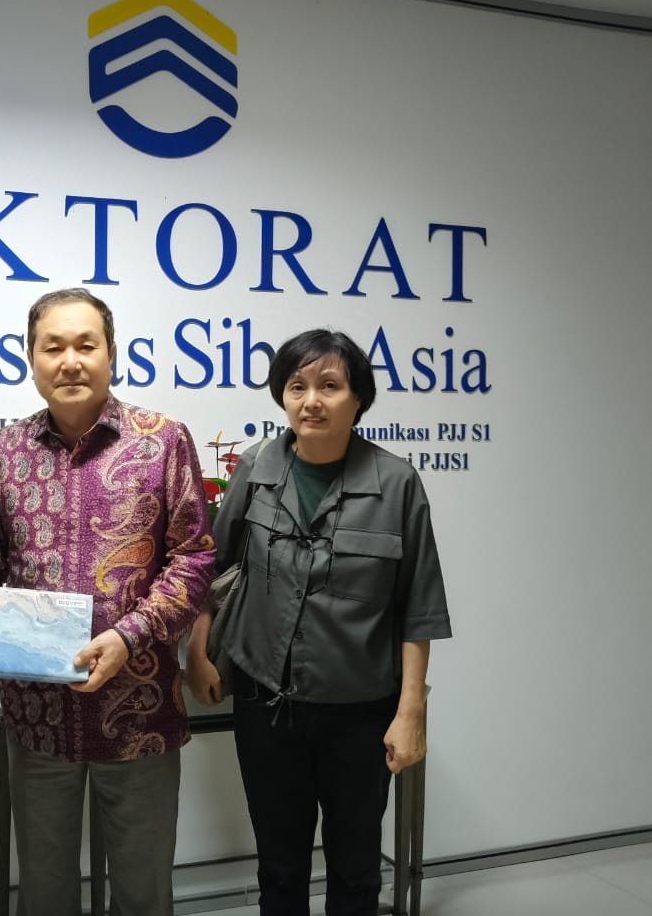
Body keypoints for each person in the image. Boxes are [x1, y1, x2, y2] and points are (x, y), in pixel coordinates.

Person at [0, 287, 215, 916]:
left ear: (111, 353)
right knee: (44, 893)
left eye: (85, 345)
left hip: (140, 714)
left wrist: (129, 634)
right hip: (37, 717)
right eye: (53, 347)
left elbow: (194, 558)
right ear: (31, 358)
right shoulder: (4, 452)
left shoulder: (162, 441)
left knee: (143, 893)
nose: (70, 361)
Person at [186, 328, 453, 916]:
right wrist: (198, 654)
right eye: (297, 386)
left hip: (360, 711)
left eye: (329, 386)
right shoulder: (257, 466)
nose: (311, 401)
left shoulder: (397, 483)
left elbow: (419, 607)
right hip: (265, 702)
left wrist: (410, 712)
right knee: (279, 868)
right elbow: (211, 566)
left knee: (356, 870)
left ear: (358, 399)